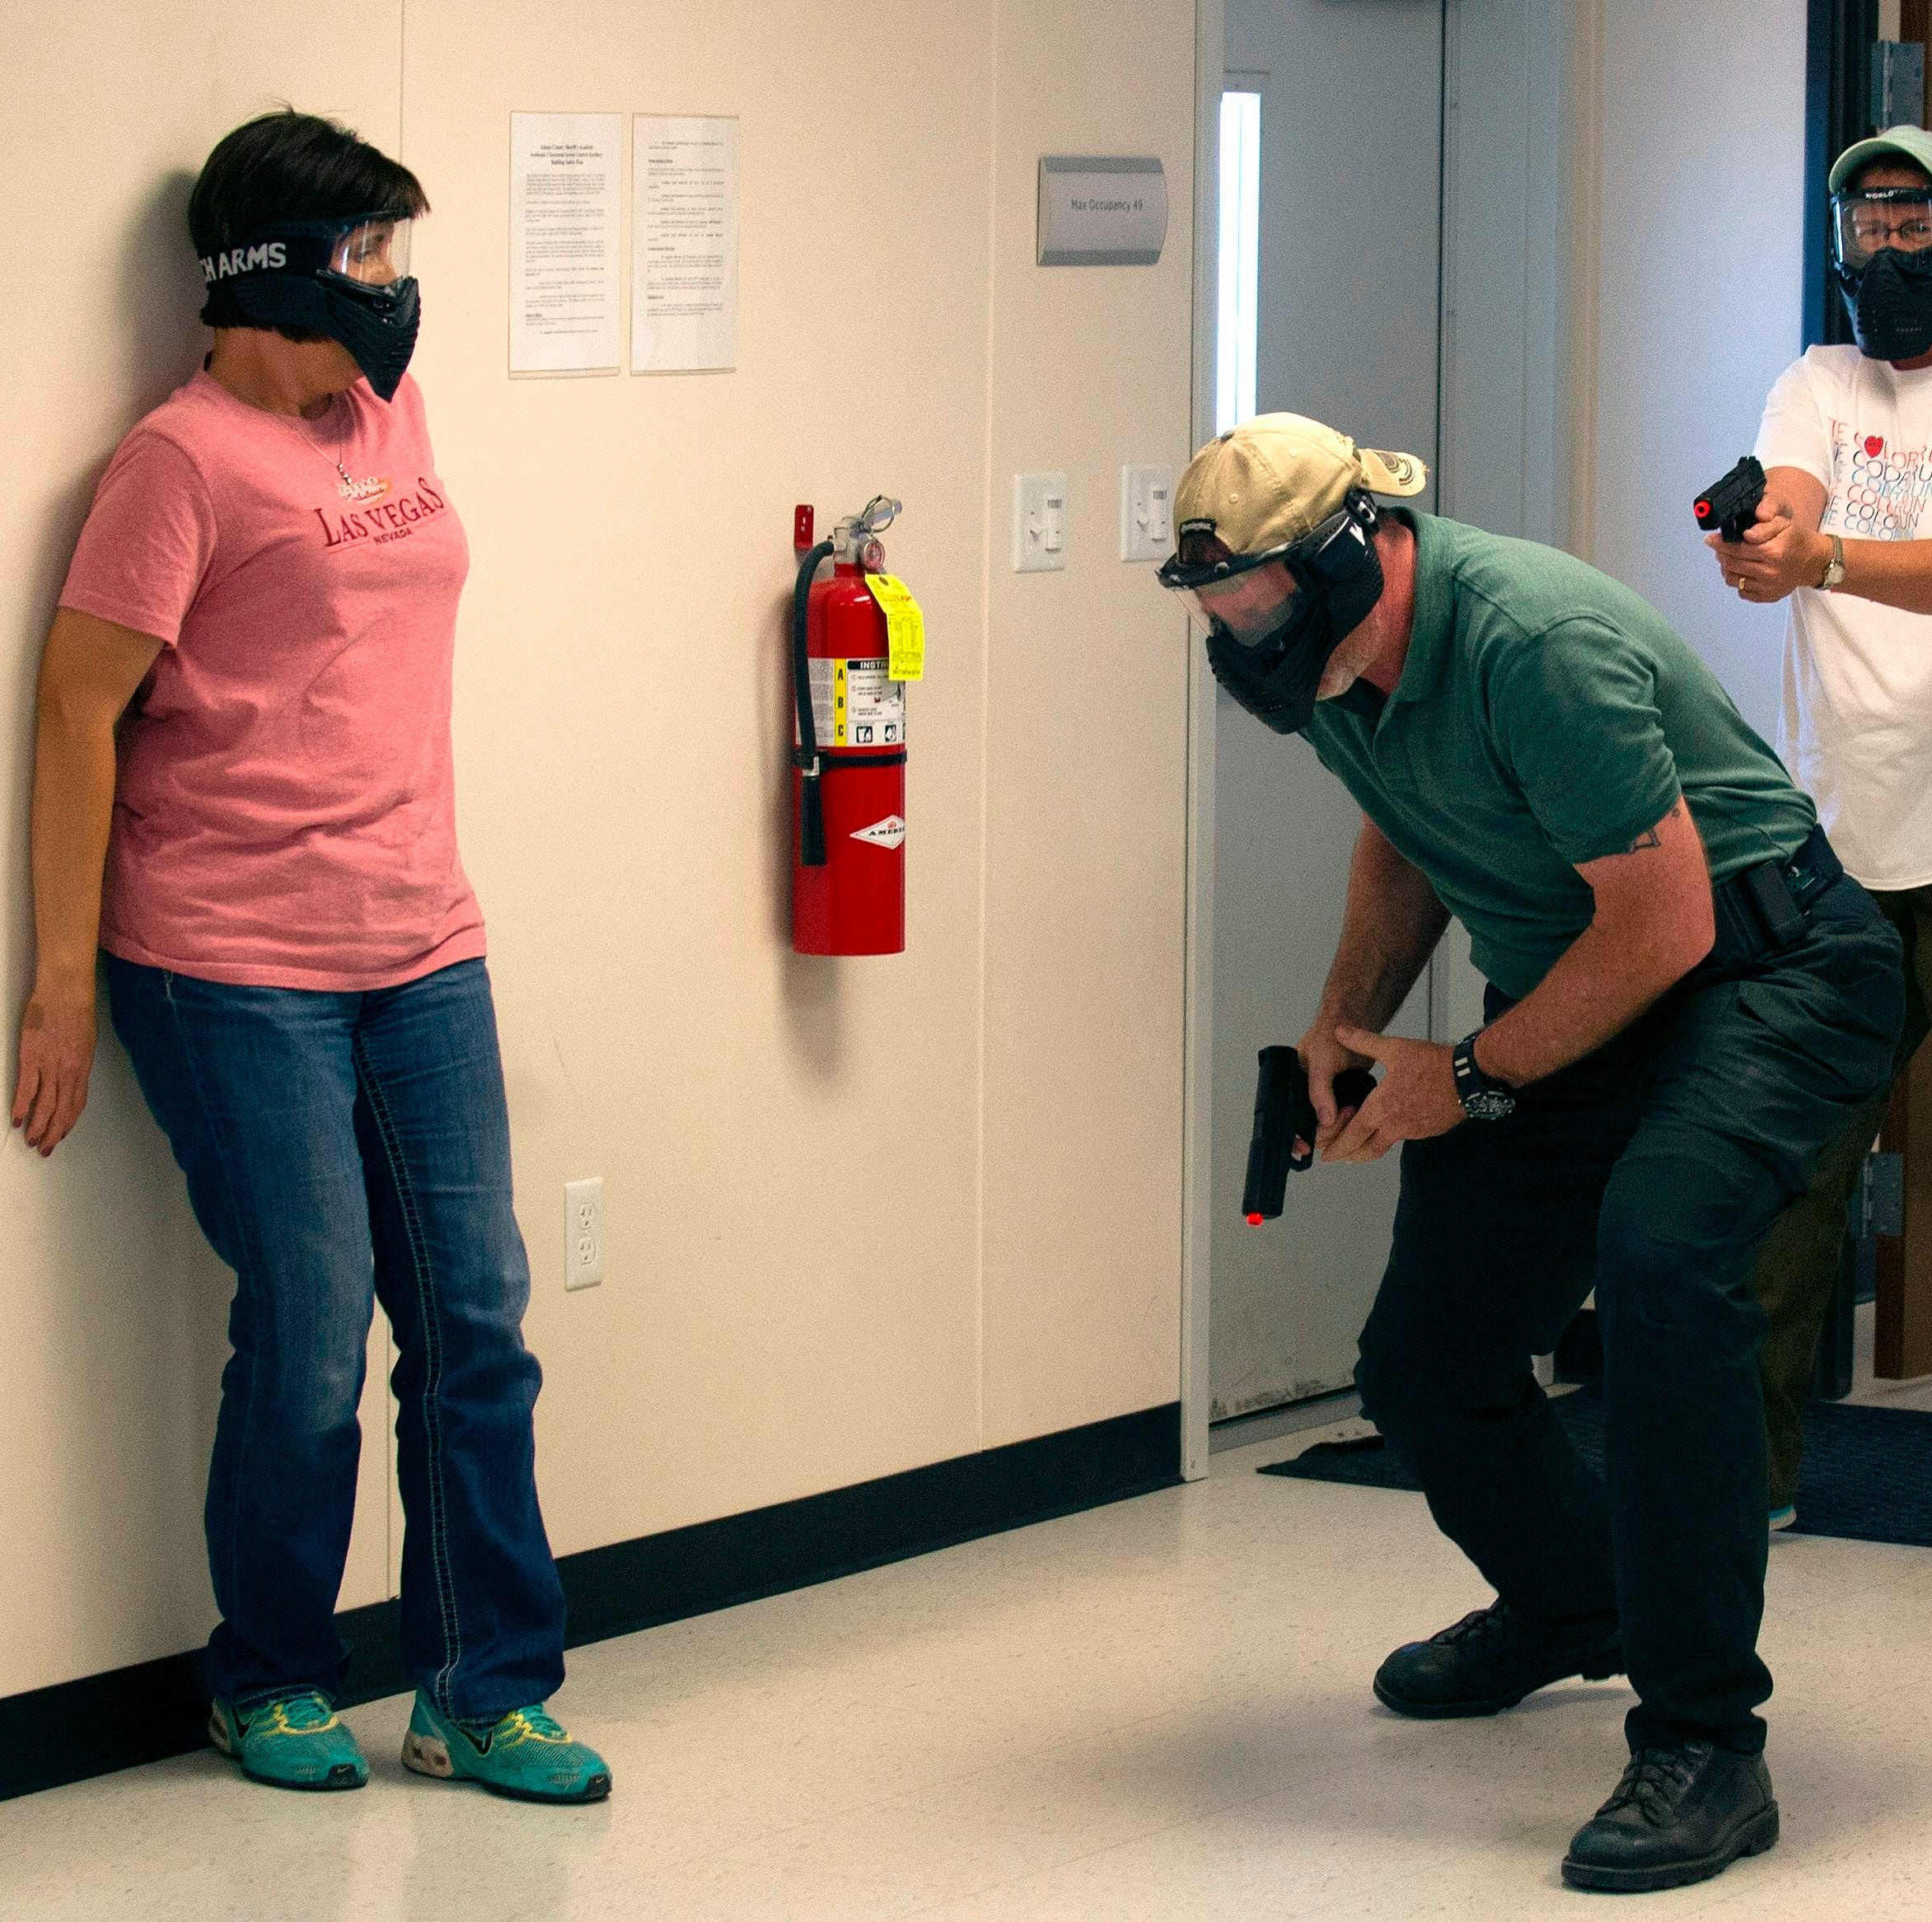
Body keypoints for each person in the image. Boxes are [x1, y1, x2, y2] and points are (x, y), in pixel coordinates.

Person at [1158, 414, 1901, 1893]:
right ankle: (1571, 1603)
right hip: (1586, 987)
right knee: (1430, 1359)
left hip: (1769, 974)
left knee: (1660, 1266)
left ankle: (1704, 1743)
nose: (1245, 641)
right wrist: (1344, 1022)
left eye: (1260, 606)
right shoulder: (1318, 651)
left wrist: (1468, 1075)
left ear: (1357, 548)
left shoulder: (1528, 640)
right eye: (1219, 615)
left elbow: (1666, 922)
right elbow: (1405, 827)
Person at [9, 109, 610, 1803]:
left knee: (477, 1316)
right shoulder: (179, 463)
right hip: (228, 958)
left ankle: (480, 1691)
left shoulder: (389, 410)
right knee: (310, 1321)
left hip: (423, 935)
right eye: (368, 259)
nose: (394, 293)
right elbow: (76, 709)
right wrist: (64, 980)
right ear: (267, 274)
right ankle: (267, 1674)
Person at [1711, 124, 1932, 1530]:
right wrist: (1769, 542)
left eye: (1915, 217)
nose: (1891, 244)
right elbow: (1786, 500)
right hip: (1846, 850)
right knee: (1797, 1166)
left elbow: (1851, 552)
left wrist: (1833, 555)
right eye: (1870, 222)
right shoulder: (1814, 382)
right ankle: (1755, 1479)